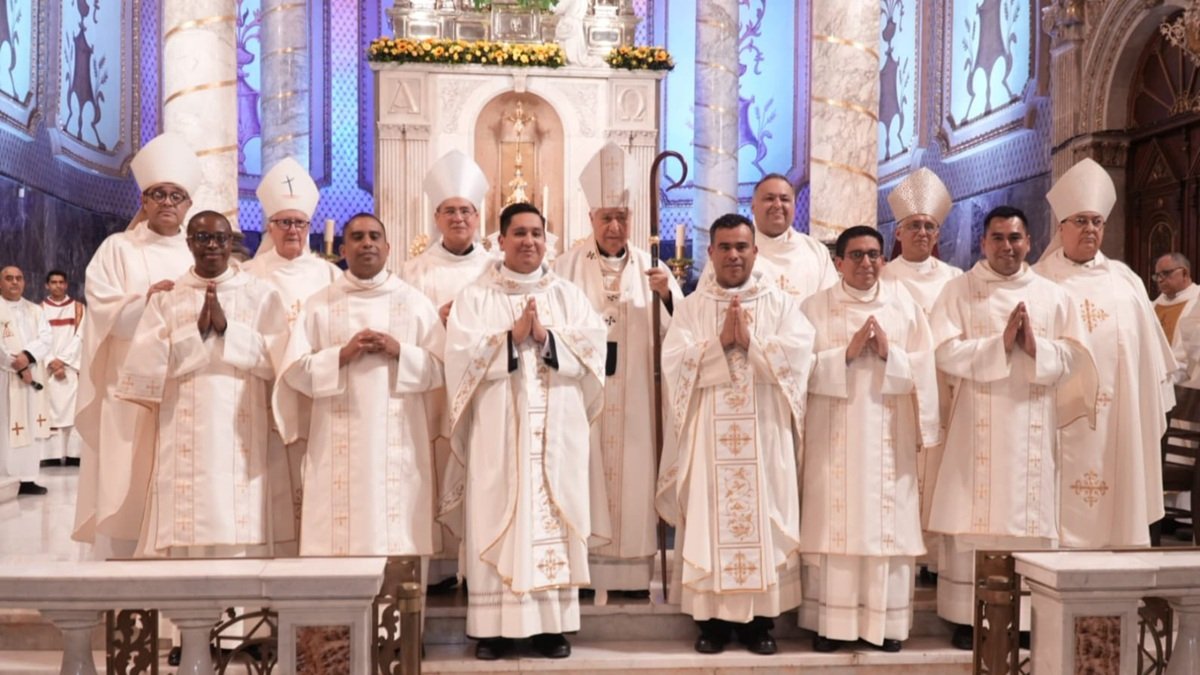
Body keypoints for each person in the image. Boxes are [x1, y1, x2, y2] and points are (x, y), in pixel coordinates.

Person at [442, 203, 606, 660]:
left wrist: (550, 339)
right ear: (500, 240)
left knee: (552, 517)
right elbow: (457, 359)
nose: (529, 241)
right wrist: (509, 339)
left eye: (536, 233)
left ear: (546, 239)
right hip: (499, 432)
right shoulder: (476, 297)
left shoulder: (568, 295)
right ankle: (493, 629)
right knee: (498, 515)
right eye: (519, 233)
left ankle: (550, 628)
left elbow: (595, 354)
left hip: (557, 434)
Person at [929, 205, 1096, 649]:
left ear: (1030, 242)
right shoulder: (958, 290)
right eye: (998, 238)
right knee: (973, 523)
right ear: (983, 243)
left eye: (1015, 238)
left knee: (1026, 523)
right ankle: (968, 619)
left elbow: (1075, 358)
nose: (1007, 246)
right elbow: (943, 352)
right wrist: (997, 346)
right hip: (975, 431)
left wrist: (1034, 348)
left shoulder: (1051, 294)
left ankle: (1022, 622)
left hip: (1031, 427)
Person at [657, 213, 814, 656]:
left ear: (755, 251)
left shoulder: (780, 303)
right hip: (709, 439)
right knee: (708, 521)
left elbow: (802, 359)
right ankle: (709, 624)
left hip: (763, 437)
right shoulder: (691, 307)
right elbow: (673, 365)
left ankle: (760, 624)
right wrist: (717, 346)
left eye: (741, 247)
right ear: (710, 253)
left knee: (765, 520)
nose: (733, 255)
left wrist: (752, 344)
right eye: (724, 247)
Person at [798, 225, 939, 653]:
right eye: (856, 255)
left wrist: (887, 355)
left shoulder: (904, 306)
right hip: (832, 438)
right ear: (838, 262)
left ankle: (886, 625)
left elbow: (924, 368)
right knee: (834, 527)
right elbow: (795, 371)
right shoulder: (813, 308)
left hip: (888, 443)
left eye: (874, 255)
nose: (866, 263)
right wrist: (843, 353)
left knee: (885, 530)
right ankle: (831, 625)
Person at [115, 211, 289, 557]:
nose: (212, 245)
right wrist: (194, 335)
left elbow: (278, 362)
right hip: (182, 431)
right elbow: (144, 372)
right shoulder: (167, 299)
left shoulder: (261, 296)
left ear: (231, 243)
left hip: (242, 434)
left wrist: (228, 331)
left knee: (238, 518)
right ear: (189, 243)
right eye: (203, 238)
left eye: (220, 238)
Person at [554, 142, 683, 600]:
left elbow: (680, 337)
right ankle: (583, 578)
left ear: (632, 220)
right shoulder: (564, 269)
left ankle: (631, 580)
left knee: (632, 482)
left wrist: (667, 297)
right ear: (591, 218)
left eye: (622, 217)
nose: (614, 226)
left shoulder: (654, 268)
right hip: (584, 400)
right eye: (606, 216)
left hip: (636, 404)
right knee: (583, 477)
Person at [275, 213, 444, 560]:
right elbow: (294, 371)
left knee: (396, 541)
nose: (367, 243)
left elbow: (442, 369)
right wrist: (341, 355)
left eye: (374, 237)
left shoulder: (414, 303)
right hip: (335, 444)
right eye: (357, 237)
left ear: (387, 247)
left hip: (399, 445)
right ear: (342, 249)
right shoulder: (320, 304)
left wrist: (401, 352)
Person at [1034, 158, 1176, 548]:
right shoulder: (1038, 283)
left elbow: (1152, 363)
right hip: (1058, 420)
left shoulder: (1125, 281)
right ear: (1061, 227)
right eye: (1080, 221)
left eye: (1096, 221)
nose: (1090, 229)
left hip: (1119, 419)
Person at [73, 132, 202, 555]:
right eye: (158, 194)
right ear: (144, 201)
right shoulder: (117, 249)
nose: (167, 202)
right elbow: (103, 310)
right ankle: (122, 576)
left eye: (176, 195)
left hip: (183, 387)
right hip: (125, 388)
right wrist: (149, 300)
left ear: (188, 205)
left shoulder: (199, 255)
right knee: (127, 481)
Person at [400, 150, 494, 589]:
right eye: (450, 210)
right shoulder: (414, 271)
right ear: (436, 217)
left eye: (467, 210)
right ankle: (439, 565)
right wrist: (436, 319)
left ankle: (481, 560)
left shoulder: (497, 268)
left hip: (486, 390)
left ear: (479, 216)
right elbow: (401, 326)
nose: (459, 218)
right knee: (436, 466)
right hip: (436, 388)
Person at [242, 156, 340, 556]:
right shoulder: (247, 275)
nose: (292, 231)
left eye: (299, 223)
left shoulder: (330, 275)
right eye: (284, 223)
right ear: (270, 227)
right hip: (266, 390)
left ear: (309, 227)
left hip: (317, 392)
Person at [879, 168, 962, 581]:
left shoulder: (957, 281)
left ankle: (934, 559)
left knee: (941, 472)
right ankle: (905, 553)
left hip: (945, 394)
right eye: (914, 225)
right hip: (896, 393)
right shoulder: (880, 279)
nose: (923, 232)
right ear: (898, 233)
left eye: (930, 226)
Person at [701, 173, 835, 301]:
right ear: (753, 207)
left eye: (784, 199)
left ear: (794, 206)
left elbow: (829, 308)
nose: (777, 205)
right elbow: (706, 306)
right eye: (769, 198)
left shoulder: (816, 252)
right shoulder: (730, 252)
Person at [0, 265, 52, 495]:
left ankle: (28, 477)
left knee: (30, 422)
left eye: (19, 278)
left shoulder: (35, 310)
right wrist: (13, 362)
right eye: (9, 278)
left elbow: (45, 337)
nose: (14, 282)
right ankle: (6, 476)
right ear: (0, 283)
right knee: (4, 424)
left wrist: (27, 357)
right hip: (4, 376)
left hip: (31, 376)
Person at [40, 269, 85, 468]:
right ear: (46, 285)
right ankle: (51, 455)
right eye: (53, 282)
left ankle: (74, 454)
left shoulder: (79, 309)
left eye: (61, 282)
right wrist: (51, 361)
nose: (57, 286)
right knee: (49, 410)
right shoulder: (39, 310)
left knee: (74, 410)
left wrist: (64, 361)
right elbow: (37, 339)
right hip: (48, 370)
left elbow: (81, 337)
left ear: (66, 285)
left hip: (71, 368)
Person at [1152, 253, 1200, 384]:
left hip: (1187, 376)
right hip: (1155, 371)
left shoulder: (1197, 300)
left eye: (1166, 273)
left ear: (1184, 273)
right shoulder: (1152, 306)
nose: (1160, 280)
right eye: (1157, 276)